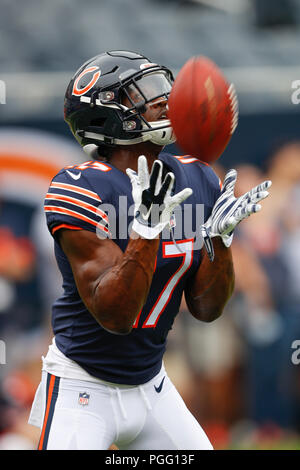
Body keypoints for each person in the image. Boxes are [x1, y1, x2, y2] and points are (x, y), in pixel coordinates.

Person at [28, 50, 271, 450]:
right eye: (141, 92)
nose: (162, 99)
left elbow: (207, 310)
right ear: (106, 112)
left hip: (152, 384)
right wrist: (146, 228)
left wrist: (220, 241)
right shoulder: (82, 187)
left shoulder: (195, 176)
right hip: (82, 387)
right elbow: (116, 314)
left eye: (161, 87)